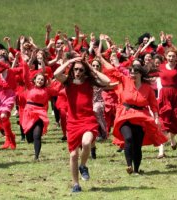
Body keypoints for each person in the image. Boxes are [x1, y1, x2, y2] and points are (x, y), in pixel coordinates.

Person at [97, 34, 167, 174]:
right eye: (131, 72)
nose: (132, 75)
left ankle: (136, 169)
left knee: (137, 145)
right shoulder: (125, 80)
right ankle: (129, 165)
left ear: (140, 74)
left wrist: (156, 117)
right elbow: (112, 70)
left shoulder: (147, 88)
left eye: (135, 73)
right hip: (125, 114)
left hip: (141, 116)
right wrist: (100, 58)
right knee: (128, 138)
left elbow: (153, 104)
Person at [54, 56, 111, 192]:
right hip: (73, 122)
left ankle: (83, 165)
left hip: (88, 120)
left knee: (86, 143)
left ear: (84, 71)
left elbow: (107, 81)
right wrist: (68, 62)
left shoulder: (89, 81)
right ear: (72, 70)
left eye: (80, 69)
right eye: (75, 69)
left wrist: (91, 67)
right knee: (73, 155)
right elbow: (56, 74)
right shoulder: (68, 81)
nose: (78, 72)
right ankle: (76, 184)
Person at [157, 26, 177, 158]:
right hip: (164, 95)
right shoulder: (161, 66)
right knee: (164, 122)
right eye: (169, 56)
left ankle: (173, 139)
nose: (171, 58)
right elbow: (158, 50)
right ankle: (161, 151)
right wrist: (163, 41)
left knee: (175, 121)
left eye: (173, 56)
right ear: (166, 57)